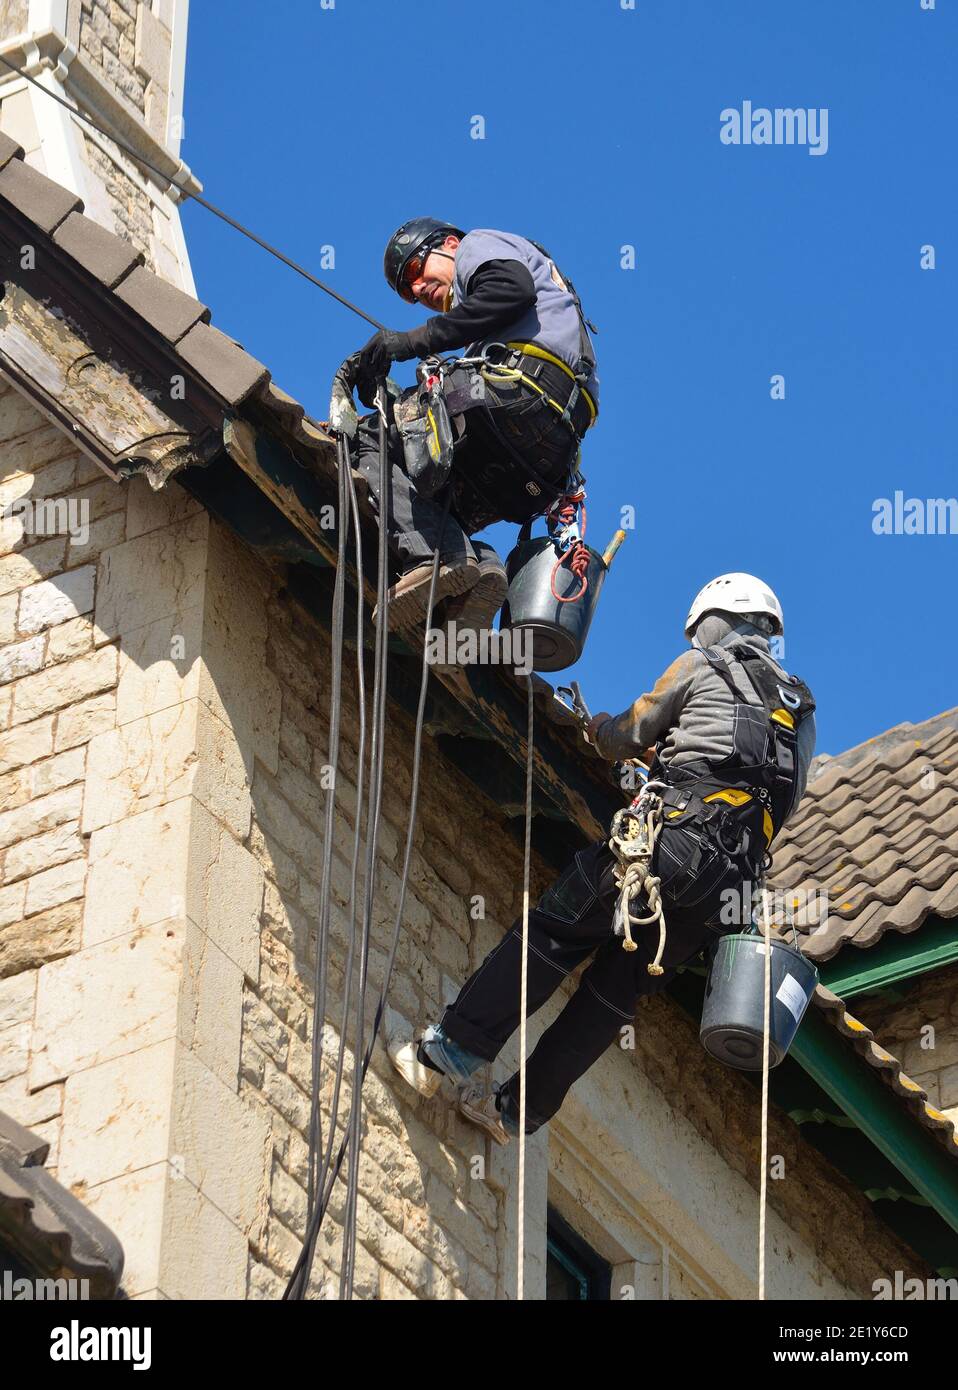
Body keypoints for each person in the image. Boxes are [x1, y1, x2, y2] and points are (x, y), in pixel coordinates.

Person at [387, 573, 817, 1142]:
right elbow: (777, 797)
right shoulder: (801, 710)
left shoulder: (704, 665)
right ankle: (514, 1114)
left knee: (555, 931)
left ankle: (448, 1055)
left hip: (668, 843)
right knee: (610, 998)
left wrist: (600, 729)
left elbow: (630, 733)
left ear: (716, 620)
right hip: (725, 894)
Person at [332, 218, 600, 632]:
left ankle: (434, 559)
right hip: (546, 452)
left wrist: (405, 343)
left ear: (450, 244)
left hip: (515, 396)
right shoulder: (512, 322)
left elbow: (510, 290)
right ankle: (482, 575)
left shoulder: (478, 246)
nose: (418, 290)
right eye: (409, 293)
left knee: (373, 435)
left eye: (416, 271)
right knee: (433, 496)